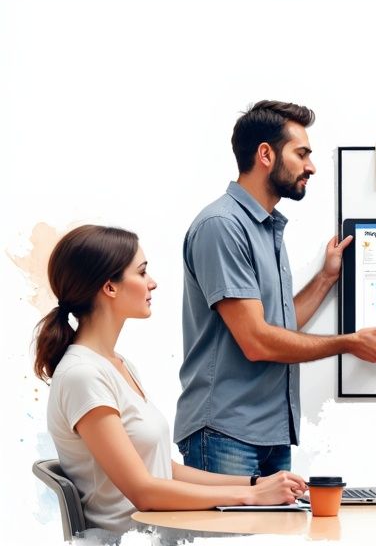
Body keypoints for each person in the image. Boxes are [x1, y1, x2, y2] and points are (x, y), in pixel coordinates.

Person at [175, 100, 376, 476]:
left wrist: (326, 278)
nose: (311, 166)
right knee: (230, 537)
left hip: (270, 434)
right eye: (301, 154)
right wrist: (348, 342)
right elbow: (257, 341)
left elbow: (277, 325)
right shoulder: (222, 226)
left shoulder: (265, 227)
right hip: (224, 434)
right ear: (265, 154)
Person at [35, 225, 307, 536]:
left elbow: (166, 471)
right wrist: (251, 497)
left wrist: (256, 483)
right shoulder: (82, 375)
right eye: (141, 273)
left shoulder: (118, 365)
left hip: (164, 531)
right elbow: (144, 492)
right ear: (110, 287)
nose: (152, 283)